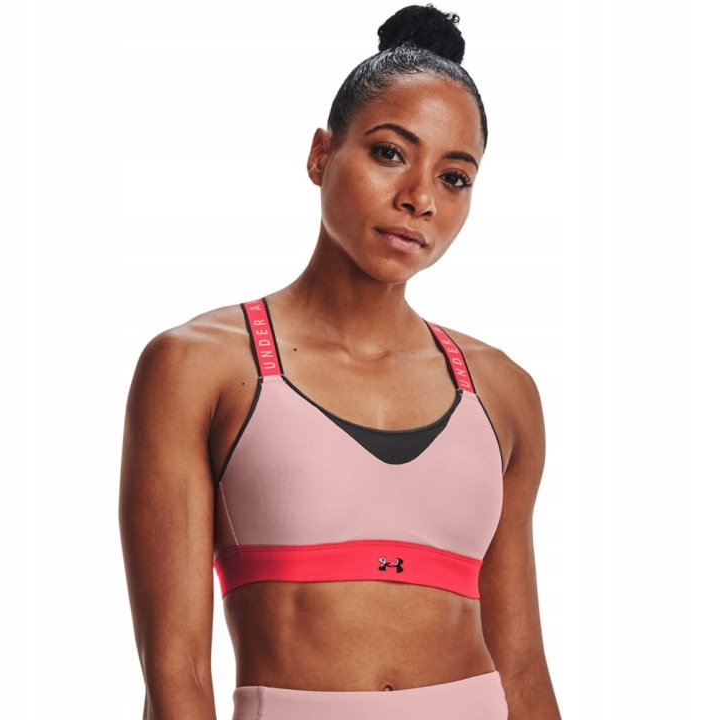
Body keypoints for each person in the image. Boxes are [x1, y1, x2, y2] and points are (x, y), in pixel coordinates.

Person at [119, 5, 561, 719]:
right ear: (321, 154)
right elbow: (176, 674)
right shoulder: (198, 368)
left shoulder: (501, 391)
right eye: (390, 153)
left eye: (454, 177)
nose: (419, 199)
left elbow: (523, 669)